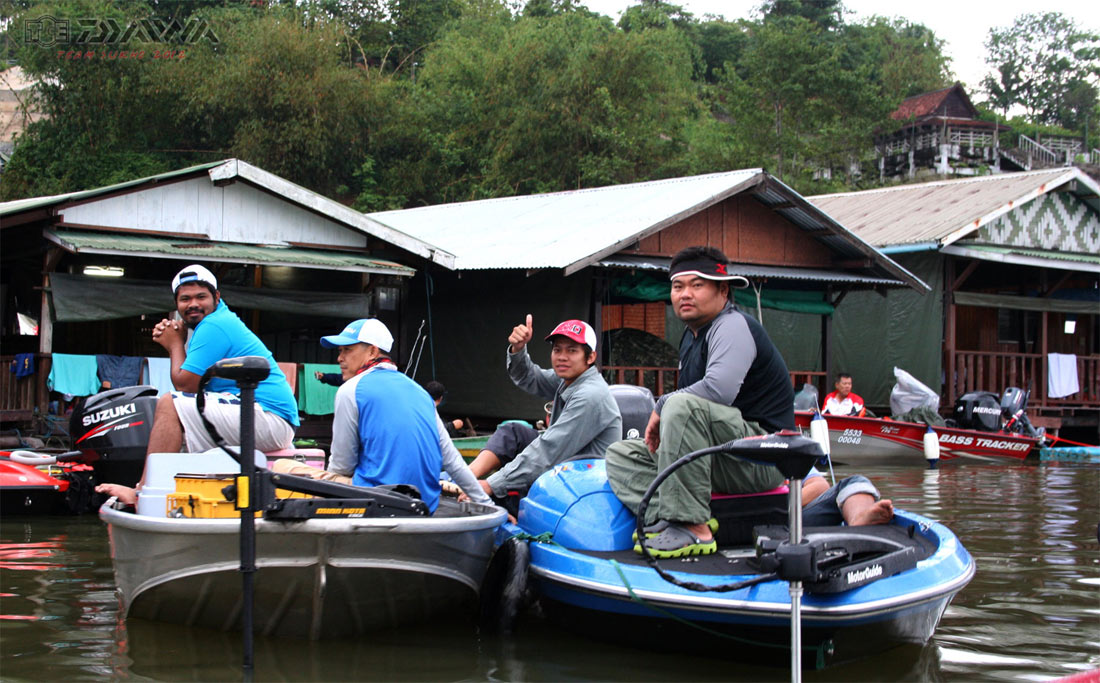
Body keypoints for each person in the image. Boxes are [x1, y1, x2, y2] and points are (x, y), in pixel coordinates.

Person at [606, 246, 892, 559]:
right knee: (622, 454)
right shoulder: (690, 336)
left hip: (762, 456)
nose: (685, 294)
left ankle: (692, 527)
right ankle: (675, 515)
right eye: (678, 286)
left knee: (678, 406)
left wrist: (661, 405)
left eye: (697, 285)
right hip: (720, 454)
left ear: (723, 290)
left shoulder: (731, 326)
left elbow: (719, 390)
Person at [96, 264, 299, 505]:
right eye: (185, 299)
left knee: (170, 404)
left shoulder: (214, 325)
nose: (193, 304)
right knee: (178, 423)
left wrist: (174, 344)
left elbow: (185, 385)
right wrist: (179, 340)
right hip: (260, 417)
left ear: (216, 297)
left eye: (201, 296)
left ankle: (142, 493)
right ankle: (174, 498)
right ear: (177, 304)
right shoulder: (212, 324)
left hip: (268, 419)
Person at [271, 318, 490, 512]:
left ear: (372, 352)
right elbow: (452, 461)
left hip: (376, 502)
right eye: (340, 351)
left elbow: (341, 467)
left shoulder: (350, 390)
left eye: (347, 350)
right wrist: (487, 504)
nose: (340, 358)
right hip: (426, 505)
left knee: (282, 467)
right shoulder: (421, 393)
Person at [465, 316, 621, 511]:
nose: (562, 356)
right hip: (563, 466)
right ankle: (467, 477)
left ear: (590, 357)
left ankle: (488, 494)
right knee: (513, 432)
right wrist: (519, 349)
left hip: (581, 483)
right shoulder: (569, 379)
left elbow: (549, 450)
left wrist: (492, 484)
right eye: (557, 350)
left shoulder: (590, 395)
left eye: (572, 350)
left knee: (501, 495)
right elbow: (529, 377)